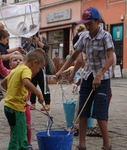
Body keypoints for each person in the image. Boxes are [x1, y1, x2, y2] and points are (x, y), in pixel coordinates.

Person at [56, 7, 114, 150]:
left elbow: (110, 58)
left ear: (98, 21)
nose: (88, 26)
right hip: (88, 76)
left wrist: (100, 74)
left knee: (100, 114)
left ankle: (107, 146)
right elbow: (75, 56)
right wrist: (61, 71)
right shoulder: (83, 36)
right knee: (82, 111)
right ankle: (82, 145)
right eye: (85, 24)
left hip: (103, 77)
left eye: (90, 23)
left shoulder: (106, 36)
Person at [1, 48, 45, 150]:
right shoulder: (26, 69)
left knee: (19, 132)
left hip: (8, 106)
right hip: (16, 109)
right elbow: (26, 82)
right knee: (18, 135)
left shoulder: (16, 69)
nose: (38, 71)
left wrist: (12, 90)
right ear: (34, 63)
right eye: (39, 68)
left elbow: (3, 83)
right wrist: (39, 94)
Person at [0, 49, 33, 148]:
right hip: (15, 106)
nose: (18, 61)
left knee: (26, 125)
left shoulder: (24, 71)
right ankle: (16, 142)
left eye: (20, 60)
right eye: (15, 60)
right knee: (16, 127)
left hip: (25, 105)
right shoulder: (10, 72)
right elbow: (1, 69)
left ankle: (27, 143)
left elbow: (28, 88)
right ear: (10, 64)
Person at [23, 35, 51, 111]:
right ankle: (32, 103)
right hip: (31, 65)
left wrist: (38, 42)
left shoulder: (42, 38)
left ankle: (47, 103)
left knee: (43, 84)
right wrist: (29, 42)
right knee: (32, 83)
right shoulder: (27, 40)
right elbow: (23, 49)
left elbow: (46, 48)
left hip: (40, 65)